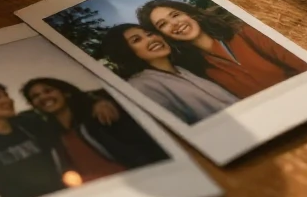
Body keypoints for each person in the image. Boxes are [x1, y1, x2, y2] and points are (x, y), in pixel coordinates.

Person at [138, 0, 307, 100]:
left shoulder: (244, 33)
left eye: (175, 15)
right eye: (163, 25)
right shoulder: (201, 73)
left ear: (189, 14)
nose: (174, 23)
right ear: (163, 36)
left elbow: (304, 65)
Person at [19, 78, 168, 183]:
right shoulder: (51, 134)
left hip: (131, 180)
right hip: (94, 193)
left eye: (48, 90)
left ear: (66, 93)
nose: (43, 97)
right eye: (35, 96)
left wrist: (99, 99)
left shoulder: (98, 115)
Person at [100, 24, 239, 125]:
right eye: (136, 40)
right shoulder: (141, 86)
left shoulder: (183, 69)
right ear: (126, 51)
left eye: (149, 34)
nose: (151, 39)